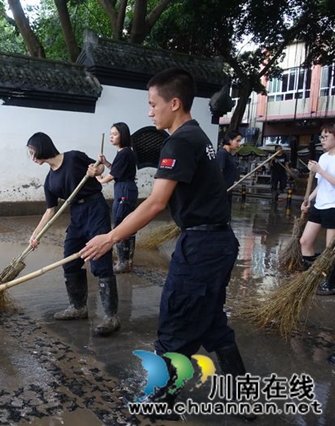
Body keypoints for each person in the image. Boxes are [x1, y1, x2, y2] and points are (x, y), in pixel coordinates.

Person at [80, 69, 252, 416]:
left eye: (152, 104)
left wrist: (111, 237)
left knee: (175, 320)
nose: (149, 112)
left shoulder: (180, 141)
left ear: (174, 103)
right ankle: (244, 399)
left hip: (202, 249)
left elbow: (156, 202)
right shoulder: (198, 136)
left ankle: (162, 400)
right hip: (216, 243)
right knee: (212, 323)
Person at [27, 132, 119, 336]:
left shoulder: (74, 157)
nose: (33, 158)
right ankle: (78, 307)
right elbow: (50, 211)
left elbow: (99, 167)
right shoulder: (50, 181)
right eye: (30, 154)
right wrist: (36, 235)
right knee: (70, 261)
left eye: (33, 153)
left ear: (43, 147)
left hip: (95, 208)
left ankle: (111, 317)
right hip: (76, 215)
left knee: (99, 259)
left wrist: (96, 171)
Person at [97, 122, 138, 273]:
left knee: (120, 224)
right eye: (110, 134)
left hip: (124, 190)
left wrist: (100, 179)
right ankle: (128, 261)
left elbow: (113, 175)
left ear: (123, 135)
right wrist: (106, 162)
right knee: (128, 224)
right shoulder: (126, 152)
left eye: (114, 134)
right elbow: (117, 169)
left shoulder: (124, 153)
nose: (111, 137)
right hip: (127, 189)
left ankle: (122, 263)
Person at [299, 123, 335, 296]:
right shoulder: (323, 157)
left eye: (326, 137)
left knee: (330, 249)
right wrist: (308, 200)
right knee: (305, 241)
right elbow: (320, 184)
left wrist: (319, 170)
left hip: (333, 207)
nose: (322, 140)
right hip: (319, 205)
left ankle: (330, 283)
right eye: (321, 137)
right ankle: (313, 276)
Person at [217, 130, 242, 215]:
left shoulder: (230, 155)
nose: (238, 144)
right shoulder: (222, 153)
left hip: (229, 189)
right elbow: (218, 173)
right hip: (222, 191)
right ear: (229, 140)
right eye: (237, 141)